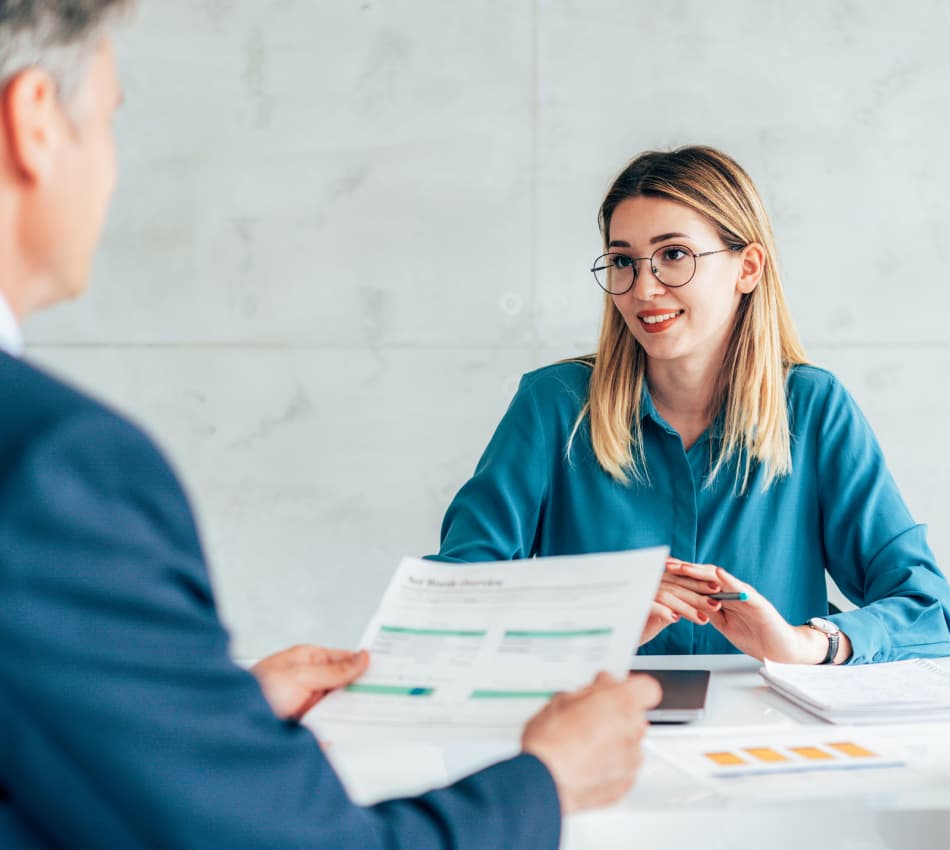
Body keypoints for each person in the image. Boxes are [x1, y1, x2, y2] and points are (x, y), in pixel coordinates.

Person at [0, 3, 662, 849]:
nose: (112, 171)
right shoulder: (59, 467)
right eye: (109, 121)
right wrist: (548, 782)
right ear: (34, 124)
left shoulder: (814, 406)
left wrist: (205, 716)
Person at [434, 145, 950, 666]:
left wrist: (808, 643)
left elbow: (930, 610)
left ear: (747, 268)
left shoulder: (815, 408)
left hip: (771, 736)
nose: (644, 288)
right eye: (623, 262)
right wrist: (594, 622)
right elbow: (452, 601)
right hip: (593, 728)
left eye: (674, 254)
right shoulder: (555, 405)